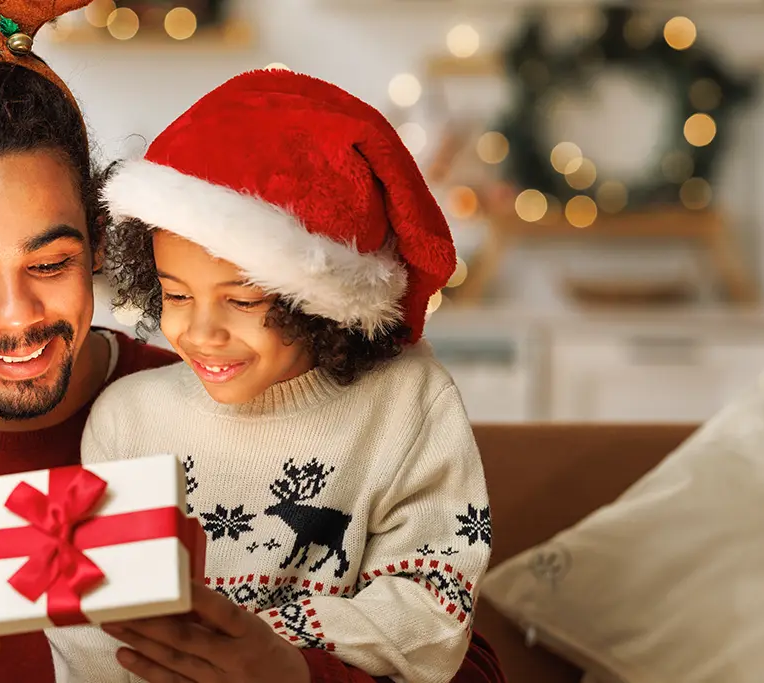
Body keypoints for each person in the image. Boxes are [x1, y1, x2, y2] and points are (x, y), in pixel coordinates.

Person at [0, 2, 495, 682]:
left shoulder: (220, 394)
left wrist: (295, 674)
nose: (16, 314)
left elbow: (467, 658)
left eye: (51, 263)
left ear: (100, 244)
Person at [45, 68, 503, 683]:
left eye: (241, 300)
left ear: (317, 300)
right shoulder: (128, 419)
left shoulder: (408, 403)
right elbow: (94, 631)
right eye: (177, 296)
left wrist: (264, 650)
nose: (202, 332)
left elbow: (433, 618)